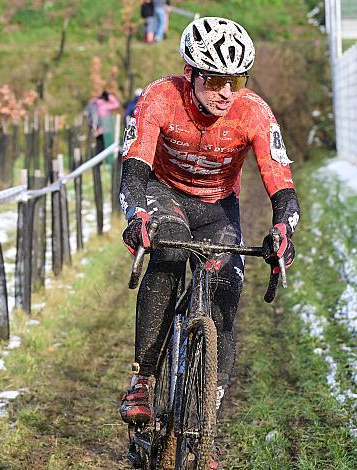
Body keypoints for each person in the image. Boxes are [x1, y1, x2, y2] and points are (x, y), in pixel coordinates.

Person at [118, 16, 300, 464]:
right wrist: (136, 217)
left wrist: (282, 230)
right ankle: (143, 379)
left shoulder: (253, 111)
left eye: (236, 80)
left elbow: (281, 183)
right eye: (216, 80)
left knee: (226, 290)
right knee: (171, 249)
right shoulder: (159, 97)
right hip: (164, 193)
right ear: (190, 74)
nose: (226, 92)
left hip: (219, 206)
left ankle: (205, 426)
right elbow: (134, 169)